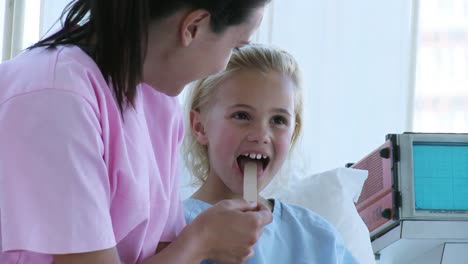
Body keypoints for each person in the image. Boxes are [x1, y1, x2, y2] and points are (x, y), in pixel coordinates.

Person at [0, 1, 273, 263]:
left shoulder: (158, 98)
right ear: (194, 26)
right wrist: (202, 240)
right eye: (235, 47)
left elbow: (164, 250)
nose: (224, 65)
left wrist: (203, 242)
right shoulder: (55, 97)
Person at [182, 45, 359, 263]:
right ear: (199, 126)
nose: (261, 135)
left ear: (293, 134)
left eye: (278, 120)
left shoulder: (318, 239)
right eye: (241, 115)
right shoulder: (173, 231)